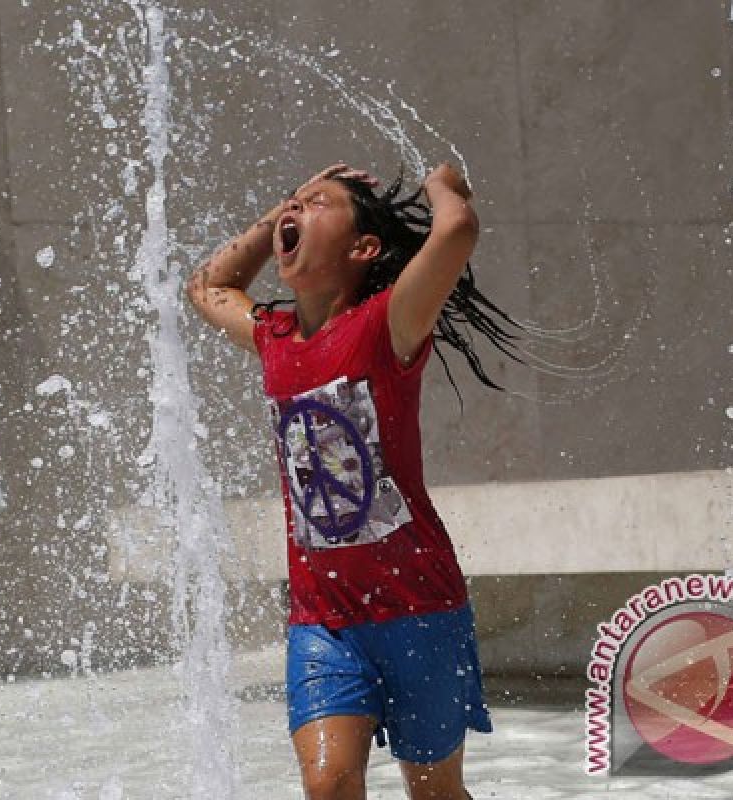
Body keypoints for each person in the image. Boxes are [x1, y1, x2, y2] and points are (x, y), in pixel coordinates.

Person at [185, 162, 522, 800]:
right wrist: (276, 214)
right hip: (324, 620)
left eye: (316, 204)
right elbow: (207, 286)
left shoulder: (387, 325)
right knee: (329, 783)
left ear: (362, 248)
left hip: (421, 610)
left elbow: (456, 231)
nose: (294, 209)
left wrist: (443, 187)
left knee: (434, 794)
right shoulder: (275, 338)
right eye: (294, 203)